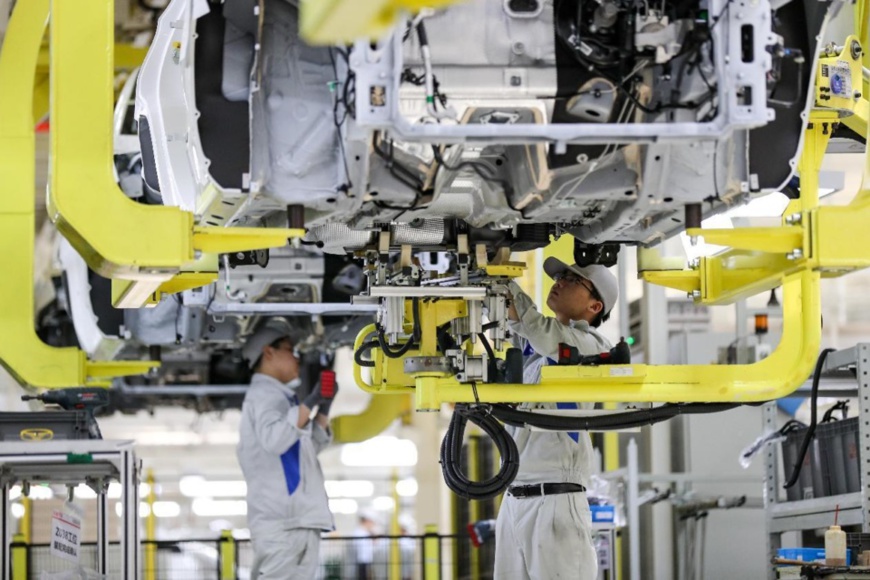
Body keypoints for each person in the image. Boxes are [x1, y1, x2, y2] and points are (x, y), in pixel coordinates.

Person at [494, 257, 618, 580]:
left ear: (595, 306)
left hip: (555, 501)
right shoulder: (534, 353)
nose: (559, 281)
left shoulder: (592, 348)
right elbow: (521, 322)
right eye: (560, 276)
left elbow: (536, 326)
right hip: (513, 499)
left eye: (572, 279)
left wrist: (502, 276)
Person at [237, 319, 338, 579]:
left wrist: (322, 408)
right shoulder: (263, 395)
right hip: (284, 526)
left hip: (295, 525)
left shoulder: (280, 398)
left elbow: (306, 449)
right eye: (290, 350)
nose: (297, 358)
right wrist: (310, 402)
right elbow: (274, 439)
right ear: (268, 352)